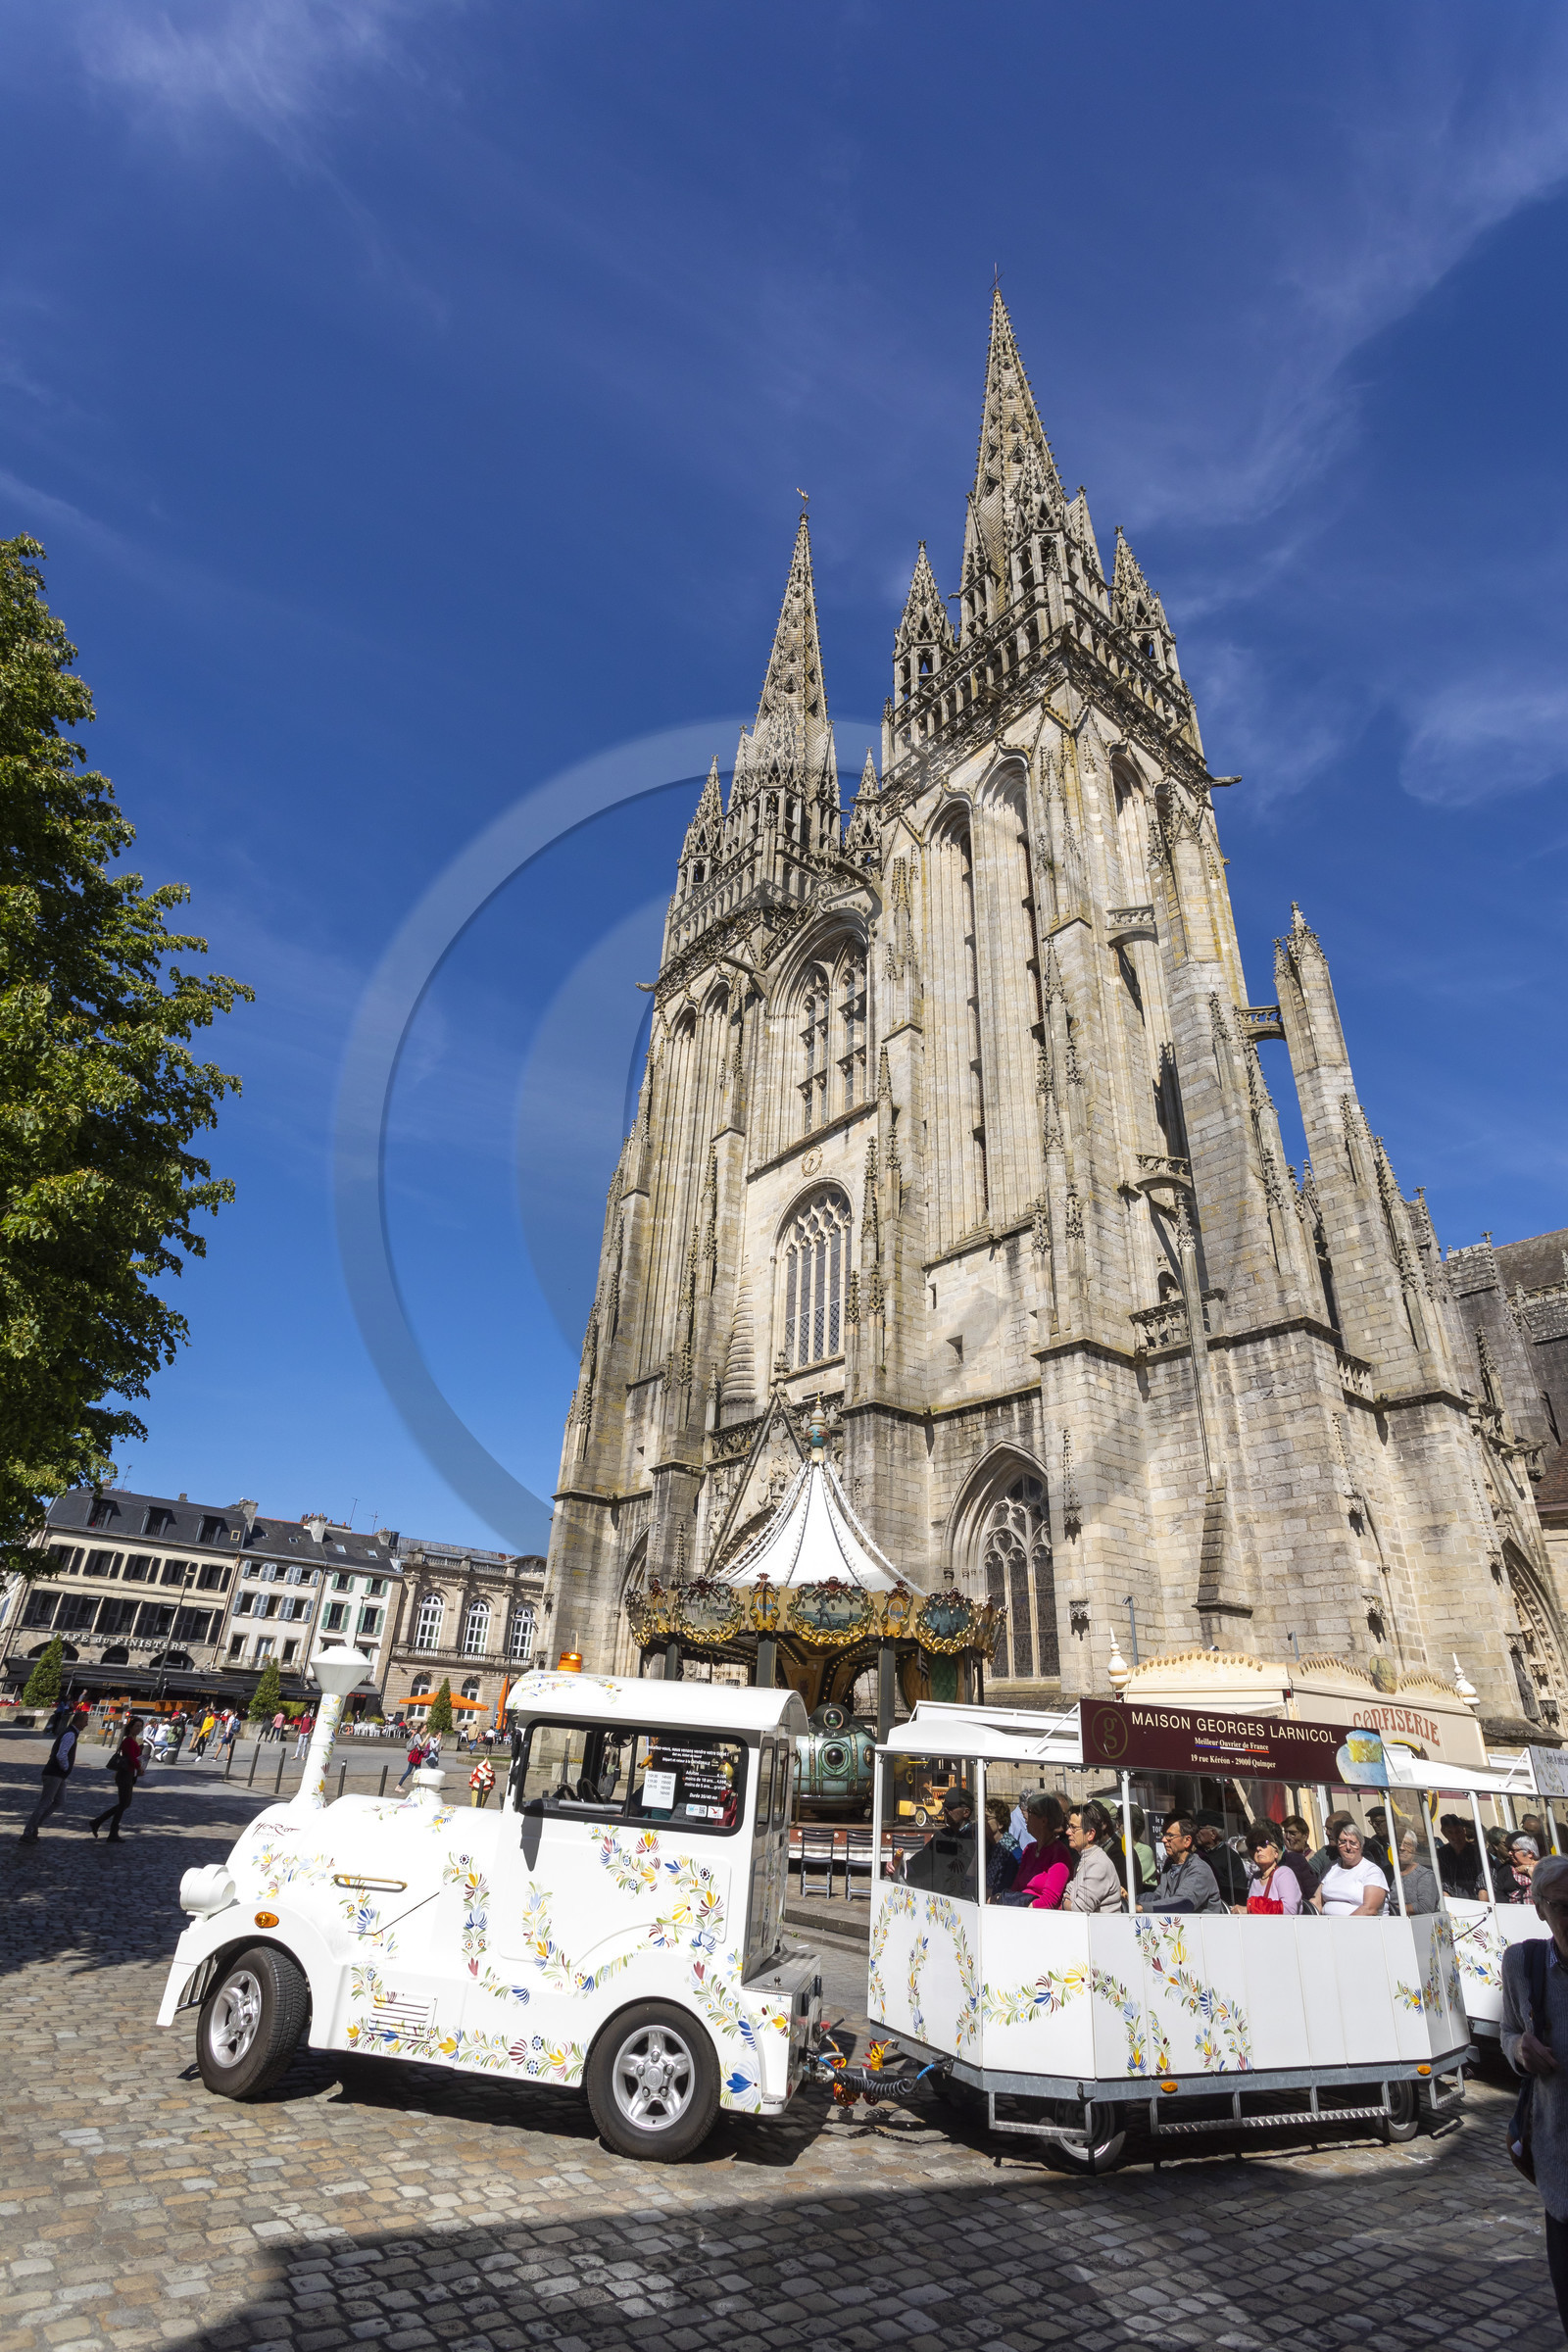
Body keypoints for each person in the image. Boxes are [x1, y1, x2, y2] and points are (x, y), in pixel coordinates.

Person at [1500, 1854, 1568, 2331]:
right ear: (1541, 1908)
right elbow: (1506, 2032)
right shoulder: (1524, 1964)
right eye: (1563, 1906)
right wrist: (1519, 2049)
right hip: (1560, 2167)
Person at [18, 1704, 89, 1842]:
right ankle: (28, 1832)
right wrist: (65, 1767)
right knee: (45, 1803)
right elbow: (61, 1755)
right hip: (54, 1773)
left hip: (59, 1775)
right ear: (78, 1721)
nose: (86, 1724)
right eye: (85, 1721)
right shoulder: (70, 1734)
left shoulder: (72, 1733)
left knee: (59, 1801)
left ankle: (35, 1826)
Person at [992, 1789, 1073, 1909]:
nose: (1025, 1817)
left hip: (1042, 1918)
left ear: (1043, 1820)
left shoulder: (1060, 1854)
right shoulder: (1029, 1849)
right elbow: (1015, 1888)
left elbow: (1049, 1902)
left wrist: (1017, 1905)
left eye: (1030, 1812)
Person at [904, 1786, 980, 1896]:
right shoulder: (941, 1835)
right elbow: (919, 1863)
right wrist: (897, 1866)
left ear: (966, 1812)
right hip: (938, 1903)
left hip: (964, 1904)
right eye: (945, 1805)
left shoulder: (975, 1837)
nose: (945, 1810)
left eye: (951, 1807)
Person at [1144, 1813, 1227, 1915]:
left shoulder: (1200, 1869)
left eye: (1170, 1836)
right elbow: (1158, 1896)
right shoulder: (1170, 1865)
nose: (1164, 1840)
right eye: (1164, 1835)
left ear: (1187, 1841)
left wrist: (1141, 1908)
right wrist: (1131, 1900)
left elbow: (1184, 1903)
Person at [1312, 1822, 1388, 1916]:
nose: (1348, 1847)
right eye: (1343, 1842)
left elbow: (1369, 1909)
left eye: (1353, 1843)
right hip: (1328, 1926)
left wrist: (1342, 1927)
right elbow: (1316, 1902)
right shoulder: (1333, 1869)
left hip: (1361, 1927)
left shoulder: (1372, 1871)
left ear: (1361, 1845)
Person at [89, 1716, 146, 1841]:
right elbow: (131, 1758)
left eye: (140, 1726)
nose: (139, 1728)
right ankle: (106, 1828)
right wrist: (140, 1768)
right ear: (130, 1727)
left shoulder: (134, 1741)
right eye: (136, 1726)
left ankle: (102, 1825)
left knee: (124, 1804)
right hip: (125, 1774)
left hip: (130, 1774)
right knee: (124, 1803)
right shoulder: (129, 1741)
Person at [1063, 1802, 1125, 1913]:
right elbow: (1069, 1890)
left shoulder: (1098, 1865)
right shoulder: (1083, 1860)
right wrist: (1069, 1900)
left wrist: (1066, 1902)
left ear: (1090, 1834)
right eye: (1068, 1826)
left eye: (1073, 1828)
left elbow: (1079, 1910)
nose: (1068, 1832)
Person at [1239, 1821, 1304, 1914]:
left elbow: (1289, 1910)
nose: (1258, 1848)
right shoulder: (1255, 1878)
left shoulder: (1284, 1874)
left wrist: (1251, 1907)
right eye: (1253, 1846)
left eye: (1263, 1844)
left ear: (1276, 1853)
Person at [1194, 1816, 1249, 1907]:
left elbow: (1238, 1892)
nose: (1196, 1833)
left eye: (1199, 1829)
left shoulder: (1230, 1857)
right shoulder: (1195, 1854)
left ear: (1213, 1834)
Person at [1438, 1812, 1485, 1900]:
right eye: (1450, 1832)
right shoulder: (1441, 1855)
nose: (1455, 1837)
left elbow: (1484, 1886)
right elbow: (1444, 1887)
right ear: (1444, 1833)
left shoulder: (1478, 1853)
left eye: (1458, 1832)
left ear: (1464, 1831)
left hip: (1477, 1903)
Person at [1277, 1817, 1319, 1907]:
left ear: (1305, 1836)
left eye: (1293, 1833)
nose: (1288, 1837)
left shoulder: (1315, 1858)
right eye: (1286, 1833)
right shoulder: (1281, 1859)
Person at [1397, 1830, 1442, 1915]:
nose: (1402, 1848)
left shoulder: (1425, 1875)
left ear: (1415, 1849)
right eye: (1399, 1844)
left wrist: (1395, 1908)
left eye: (1407, 1845)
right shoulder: (1388, 1874)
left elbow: (1425, 1907)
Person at [983, 1797, 1019, 1900]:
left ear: (1000, 1824)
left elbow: (1005, 1887)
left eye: (986, 1818)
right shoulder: (984, 1845)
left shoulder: (1012, 1851)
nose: (982, 1821)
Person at [1497, 1836, 1542, 1905]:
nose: (1509, 1853)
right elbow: (1498, 1895)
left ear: (1530, 1853)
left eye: (1513, 1850)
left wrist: (1528, 1870)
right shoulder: (1505, 1869)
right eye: (1509, 1850)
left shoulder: (1545, 1868)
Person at [1309, 1810, 1353, 1881]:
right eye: (1326, 1828)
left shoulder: (1367, 1848)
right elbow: (1308, 1872)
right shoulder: (1326, 1852)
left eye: (1330, 1829)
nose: (1327, 1833)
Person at [1128, 1804, 1157, 1893]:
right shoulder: (1122, 1847)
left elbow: (1130, 1878)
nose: (1117, 1826)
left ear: (1133, 1826)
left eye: (1121, 1822)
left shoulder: (1145, 1851)